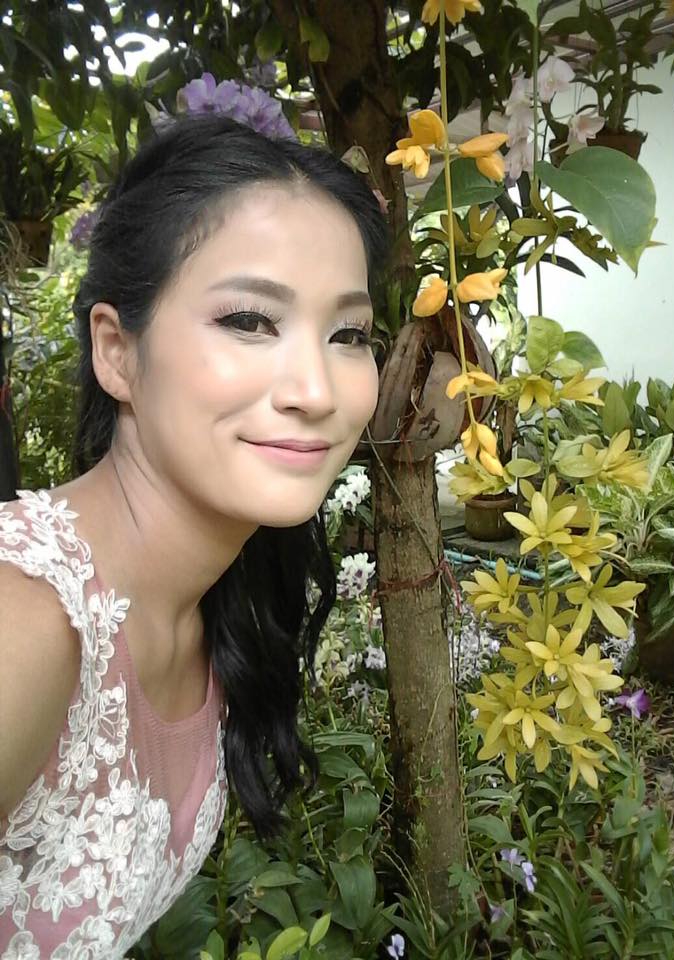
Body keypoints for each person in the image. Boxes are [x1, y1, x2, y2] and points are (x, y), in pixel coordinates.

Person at [0, 114, 388, 958]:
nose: (317, 390)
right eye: (249, 320)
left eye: (349, 334)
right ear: (117, 352)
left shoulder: (217, 601)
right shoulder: (24, 623)